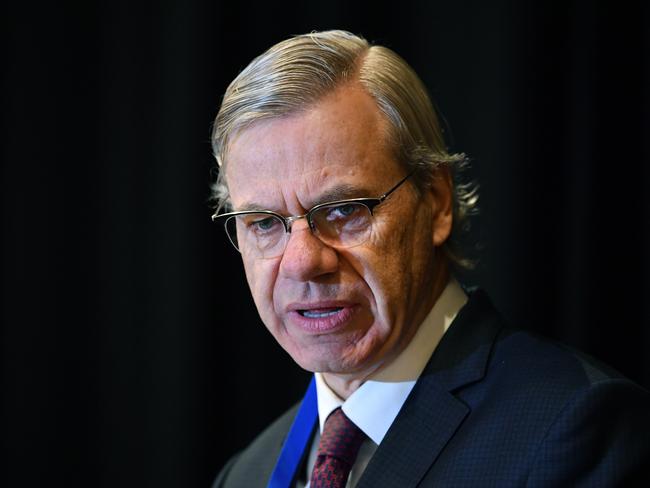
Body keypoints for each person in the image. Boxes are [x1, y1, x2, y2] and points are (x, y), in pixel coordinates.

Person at [209, 30, 650, 487]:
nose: (302, 261)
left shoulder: (578, 432)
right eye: (263, 223)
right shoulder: (246, 474)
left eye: (344, 210)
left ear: (437, 201)